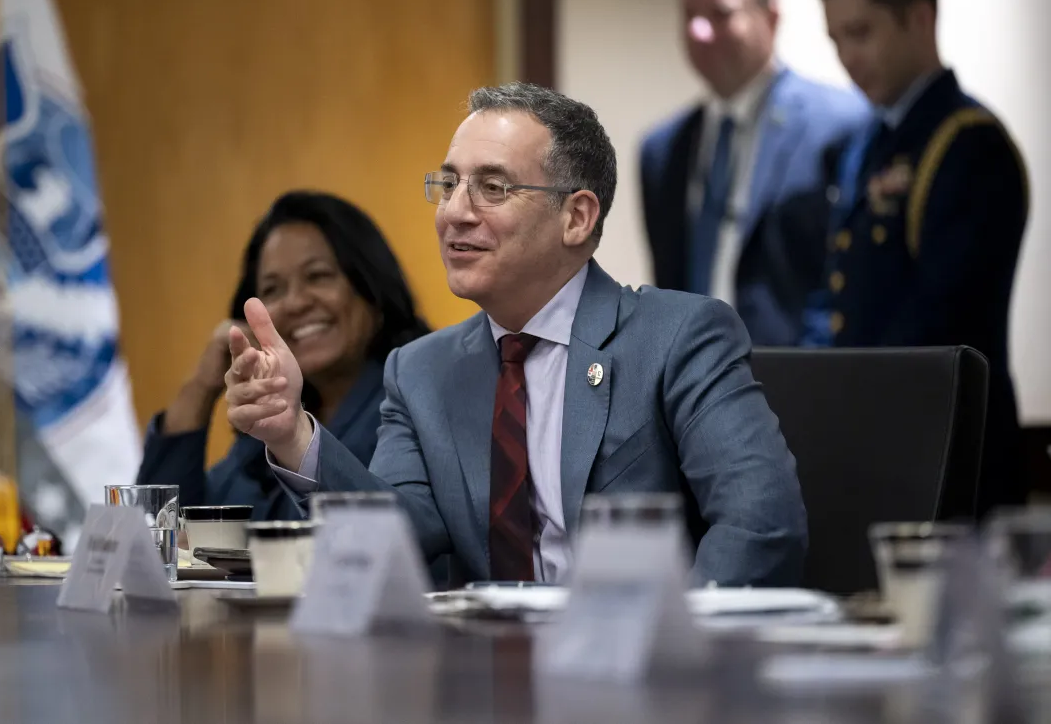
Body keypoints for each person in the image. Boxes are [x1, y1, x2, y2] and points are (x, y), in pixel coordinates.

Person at [224, 83, 808, 588]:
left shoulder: (678, 337)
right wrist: (294, 433)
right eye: (448, 184)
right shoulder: (421, 370)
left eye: (492, 188)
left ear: (576, 217)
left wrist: (670, 651)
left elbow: (760, 520)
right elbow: (398, 538)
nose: (455, 211)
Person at [805, 0, 1030, 514]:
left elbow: (944, 315)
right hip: (877, 438)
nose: (848, 58)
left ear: (920, 18)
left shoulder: (967, 144)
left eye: (861, 33)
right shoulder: (870, 143)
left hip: (948, 443)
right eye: (836, 41)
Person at [135, 191, 430, 518]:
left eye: (318, 276)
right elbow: (164, 530)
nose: (295, 303)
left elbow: (398, 535)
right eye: (273, 289)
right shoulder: (267, 425)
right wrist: (201, 387)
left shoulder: (414, 406)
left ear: (374, 291)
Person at [640, 0, 867, 345]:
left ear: (772, 17)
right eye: (688, 13)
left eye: (721, 12)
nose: (698, 31)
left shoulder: (841, 125)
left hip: (804, 382)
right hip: (693, 389)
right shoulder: (662, 149)